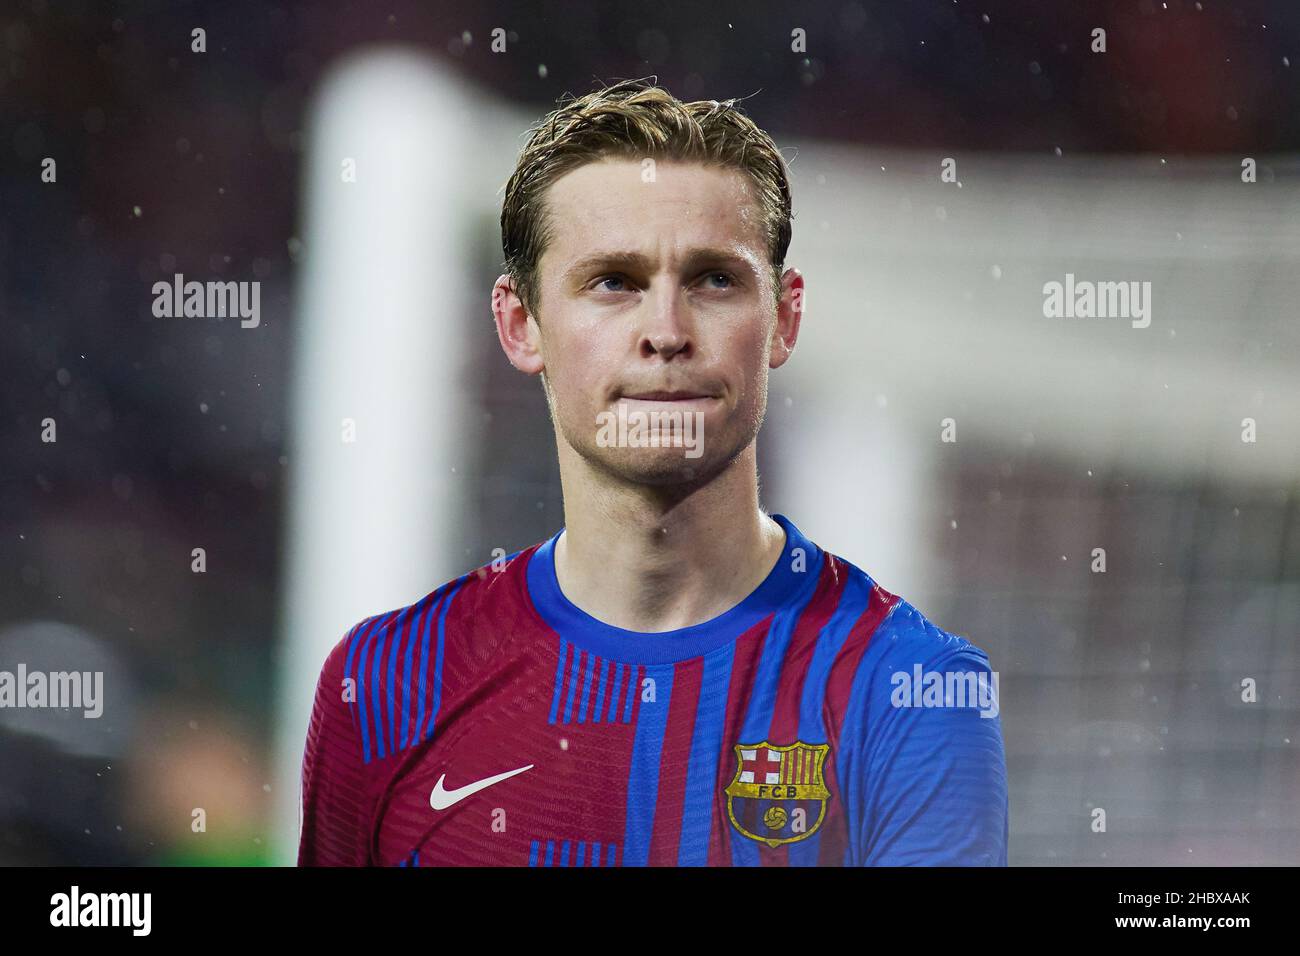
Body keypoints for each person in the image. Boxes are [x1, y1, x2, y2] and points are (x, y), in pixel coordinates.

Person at [298, 78, 1008, 866]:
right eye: (613, 282)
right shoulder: (385, 681)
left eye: (714, 280)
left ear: (784, 317)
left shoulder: (911, 690)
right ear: (519, 323)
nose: (666, 333)